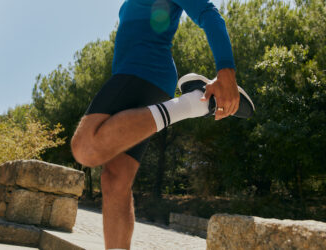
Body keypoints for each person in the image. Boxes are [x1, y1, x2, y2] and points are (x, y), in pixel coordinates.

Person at [71, 0, 254, 249]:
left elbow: (208, 13)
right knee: (115, 181)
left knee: (85, 147)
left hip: (143, 73)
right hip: (136, 78)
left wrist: (226, 72)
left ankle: (194, 103)